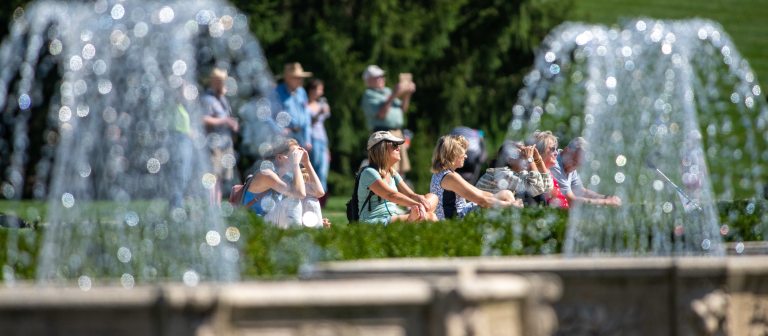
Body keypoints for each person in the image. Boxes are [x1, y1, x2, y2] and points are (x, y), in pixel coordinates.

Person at [243, 138, 330, 228]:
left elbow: (319, 192)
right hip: (255, 224)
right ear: (280, 157)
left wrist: (307, 162)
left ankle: (314, 238)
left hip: (272, 221)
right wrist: (295, 164)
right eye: (294, 154)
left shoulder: (288, 177)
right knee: (293, 200)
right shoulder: (266, 174)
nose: (298, 157)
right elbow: (299, 194)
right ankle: (297, 239)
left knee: (311, 201)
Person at [430, 134, 520, 220]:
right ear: (453, 155)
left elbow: (481, 194)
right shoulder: (450, 177)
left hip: (461, 214)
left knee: (506, 194)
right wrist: (510, 205)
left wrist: (500, 199)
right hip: (457, 221)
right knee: (507, 199)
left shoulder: (443, 174)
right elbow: (482, 201)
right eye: (463, 153)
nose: (466, 156)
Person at [356, 131, 438, 224]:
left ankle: (413, 219)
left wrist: (420, 200)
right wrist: (416, 205)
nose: (399, 148)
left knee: (432, 197)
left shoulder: (392, 172)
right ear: (382, 149)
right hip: (375, 220)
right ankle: (412, 219)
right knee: (430, 216)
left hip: (393, 215)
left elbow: (410, 195)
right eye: (395, 145)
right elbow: (391, 195)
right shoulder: (369, 173)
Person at [360, 65, 415, 174]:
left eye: (382, 76)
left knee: (400, 170)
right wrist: (394, 94)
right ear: (368, 80)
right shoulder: (368, 95)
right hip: (383, 134)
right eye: (378, 77)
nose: (382, 78)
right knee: (387, 168)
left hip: (396, 132)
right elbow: (381, 114)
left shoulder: (387, 91)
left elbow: (403, 109)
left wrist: (407, 94)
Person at [200, 68, 239, 205]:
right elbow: (203, 119)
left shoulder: (222, 99)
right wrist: (224, 121)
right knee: (213, 175)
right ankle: (211, 205)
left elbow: (225, 117)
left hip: (225, 143)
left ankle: (216, 205)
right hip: (214, 144)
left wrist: (232, 124)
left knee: (222, 176)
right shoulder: (207, 99)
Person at [551, 137, 622, 207]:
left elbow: (581, 191)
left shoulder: (569, 166)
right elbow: (571, 201)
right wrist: (606, 202)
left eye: (577, 165)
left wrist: (606, 197)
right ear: (566, 150)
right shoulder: (554, 165)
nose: (572, 167)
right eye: (573, 161)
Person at [475, 140, 553, 201]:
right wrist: (530, 159)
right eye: (521, 154)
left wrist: (538, 160)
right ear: (509, 159)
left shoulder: (517, 172)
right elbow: (537, 189)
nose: (525, 157)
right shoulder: (502, 173)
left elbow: (548, 189)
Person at [275, 62, 313, 150]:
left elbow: (306, 117)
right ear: (288, 78)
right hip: (286, 138)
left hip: (301, 137)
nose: (301, 80)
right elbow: (270, 115)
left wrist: (308, 140)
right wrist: (279, 130)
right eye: (297, 78)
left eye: (301, 78)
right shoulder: (277, 92)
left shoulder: (302, 92)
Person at [528, 130, 569, 209]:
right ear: (539, 151)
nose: (556, 153)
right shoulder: (533, 173)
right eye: (552, 149)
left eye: (556, 149)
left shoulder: (549, 172)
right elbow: (550, 196)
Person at [306, 78, 331, 205]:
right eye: (319, 89)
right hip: (312, 139)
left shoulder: (320, 104)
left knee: (323, 169)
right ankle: (312, 196)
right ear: (311, 90)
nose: (321, 92)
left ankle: (322, 199)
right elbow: (307, 123)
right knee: (314, 168)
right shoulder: (305, 105)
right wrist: (318, 113)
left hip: (322, 139)